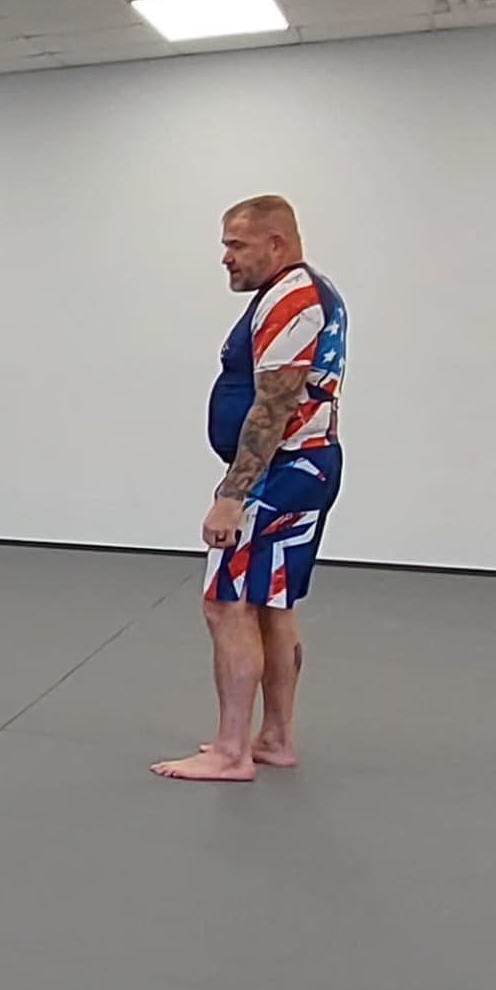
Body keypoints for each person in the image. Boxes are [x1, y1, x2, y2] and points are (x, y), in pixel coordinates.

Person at [158, 195, 350, 784]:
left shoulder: (294, 299)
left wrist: (232, 495)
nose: (226, 257)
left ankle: (230, 751)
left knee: (226, 602)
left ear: (276, 243)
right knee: (270, 603)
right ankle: (275, 738)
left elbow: (274, 405)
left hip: (284, 472)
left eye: (236, 245)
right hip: (302, 467)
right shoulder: (296, 293)